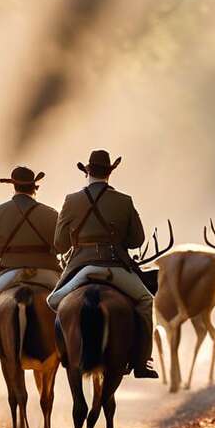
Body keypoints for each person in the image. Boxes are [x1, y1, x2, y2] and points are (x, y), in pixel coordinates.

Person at [47, 149, 159, 379]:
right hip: (115, 268)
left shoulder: (71, 200)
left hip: (80, 268)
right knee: (146, 301)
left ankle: (64, 352)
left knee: (53, 301)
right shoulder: (124, 201)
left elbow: (60, 244)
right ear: (109, 173)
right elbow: (137, 240)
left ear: (87, 172)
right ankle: (142, 361)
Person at [0, 166, 61, 354]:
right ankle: (69, 348)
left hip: (11, 274)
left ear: (13, 186)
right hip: (47, 274)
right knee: (70, 302)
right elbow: (61, 247)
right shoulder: (52, 213)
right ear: (34, 188)